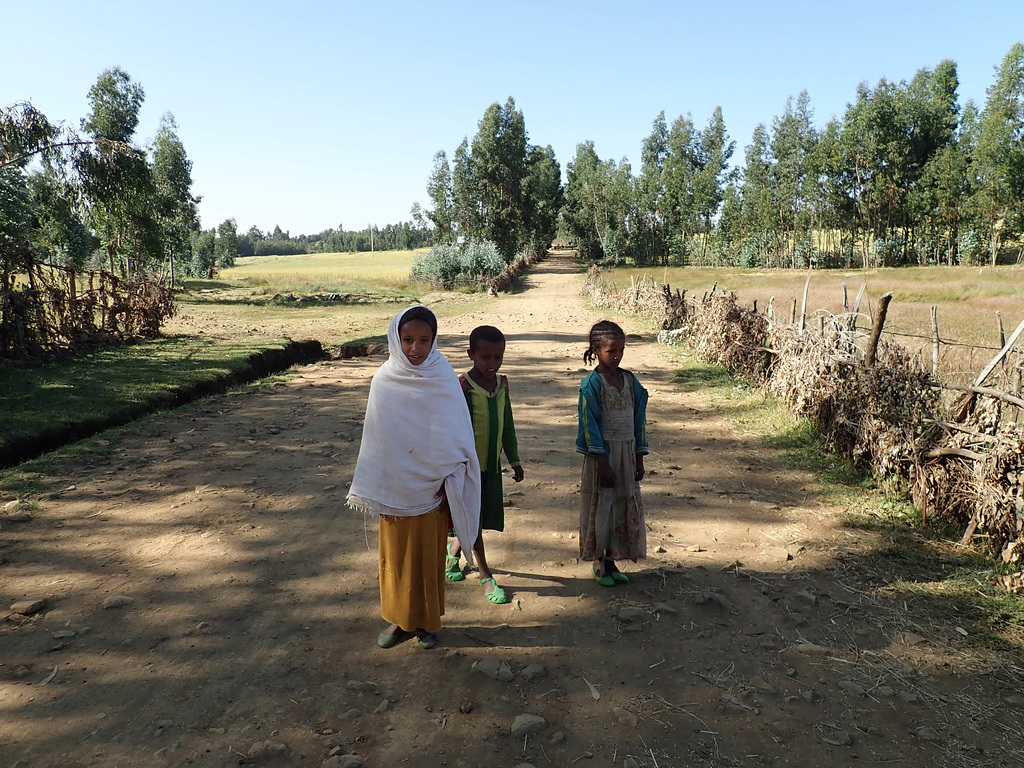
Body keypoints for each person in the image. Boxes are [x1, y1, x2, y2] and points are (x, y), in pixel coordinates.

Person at [347, 305, 480, 650]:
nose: (415, 349)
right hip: (395, 490)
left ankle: (426, 623)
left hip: (433, 492)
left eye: (424, 340)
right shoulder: (384, 381)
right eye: (407, 339)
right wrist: (390, 478)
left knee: (427, 558)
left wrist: (447, 479)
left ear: (434, 340)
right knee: (396, 557)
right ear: (396, 338)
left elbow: (456, 436)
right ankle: (398, 620)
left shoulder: (443, 378)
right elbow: (378, 442)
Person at [445, 325, 524, 604]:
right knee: (472, 520)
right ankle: (485, 574)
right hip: (467, 470)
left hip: (491, 467)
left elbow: (508, 425)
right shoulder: (462, 387)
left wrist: (513, 459)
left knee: (475, 519)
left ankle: (453, 553)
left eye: (498, 357)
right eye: (485, 357)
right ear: (471, 354)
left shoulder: (502, 384)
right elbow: (451, 428)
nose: (492, 364)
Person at [576, 320, 648, 586]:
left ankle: (613, 560)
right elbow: (589, 426)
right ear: (596, 350)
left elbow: (640, 419)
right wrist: (602, 462)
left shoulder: (630, 381)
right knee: (602, 508)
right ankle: (599, 562)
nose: (616, 356)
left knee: (620, 506)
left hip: (627, 455)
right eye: (611, 351)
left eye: (621, 350)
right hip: (602, 458)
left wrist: (639, 456)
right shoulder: (592, 385)